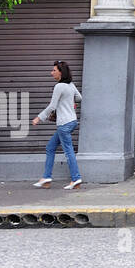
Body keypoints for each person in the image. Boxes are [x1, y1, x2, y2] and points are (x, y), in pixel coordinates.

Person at [32, 61, 84, 190]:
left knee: (68, 151)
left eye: (54, 70)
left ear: (61, 72)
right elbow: (79, 98)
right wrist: (69, 102)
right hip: (71, 122)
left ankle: (76, 178)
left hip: (64, 123)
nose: (52, 72)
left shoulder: (59, 86)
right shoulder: (70, 85)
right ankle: (47, 178)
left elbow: (52, 106)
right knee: (50, 147)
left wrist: (39, 117)